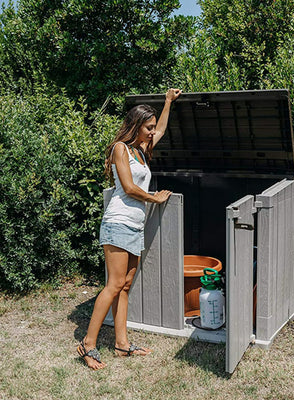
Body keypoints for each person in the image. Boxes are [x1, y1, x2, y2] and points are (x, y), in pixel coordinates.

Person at [77, 88, 182, 370]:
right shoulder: (120, 149)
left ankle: (122, 344)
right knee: (113, 285)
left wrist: (168, 101)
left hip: (135, 227)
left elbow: (160, 129)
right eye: (147, 128)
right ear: (136, 126)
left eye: (151, 128)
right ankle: (88, 344)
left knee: (124, 286)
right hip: (117, 223)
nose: (151, 133)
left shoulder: (141, 150)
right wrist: (154, 197)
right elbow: (129, 188)